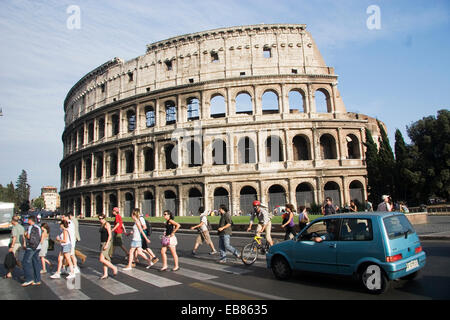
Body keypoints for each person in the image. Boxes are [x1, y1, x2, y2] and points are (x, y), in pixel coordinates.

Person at [21, 216, 42, 286]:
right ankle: (37, 279)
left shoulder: (30, 227)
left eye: (28, 219)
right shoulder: (38, 227)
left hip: (31, 247)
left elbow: (29, 237)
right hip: (38, 247)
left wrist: (25, 234)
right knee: (36, 262)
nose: (27, 221)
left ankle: (29, 279)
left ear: (30, 220)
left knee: (25, 262)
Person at [97, 214, 118, 279]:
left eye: (101, 218)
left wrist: (107, 244)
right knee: (104, 259)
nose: (100, 220)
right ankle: (105, 274)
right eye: (99, 219)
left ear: (104, 218)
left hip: (106, 243)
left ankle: (114, 268)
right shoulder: (102, 225)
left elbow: (110, 235)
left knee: (101, 259)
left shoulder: (107, 224)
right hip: (102, 242)